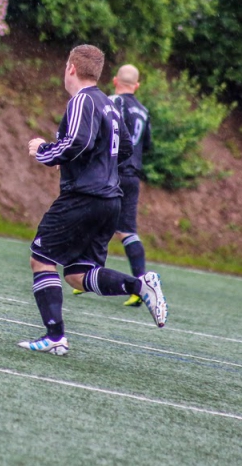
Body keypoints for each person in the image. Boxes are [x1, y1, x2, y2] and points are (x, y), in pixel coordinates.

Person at [20, 45, 168, 355]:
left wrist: (44, 151)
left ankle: (55, 337)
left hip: (83, 197)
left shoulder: (82, 100)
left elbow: (77, 141)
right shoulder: (108, 104)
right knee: (77, 274)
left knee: (41, 259)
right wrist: (90, 164)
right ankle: (140, 285)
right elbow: (124, 148)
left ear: (71, 68)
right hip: (110, 200)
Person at [71, 64, 153, 307]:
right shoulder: (144, 110)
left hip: (111, 171)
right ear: (137, 86)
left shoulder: (113, 101)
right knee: (127, 231)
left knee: (92, 217)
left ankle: (85, 274)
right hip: (133, 175)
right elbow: (147, 145)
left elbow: (101, 129)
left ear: (115, 80)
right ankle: (139, 285)